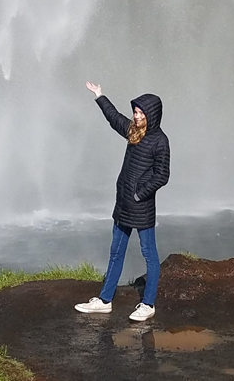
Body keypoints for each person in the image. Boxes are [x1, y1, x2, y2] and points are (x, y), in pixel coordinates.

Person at [75, 81, 171, 322]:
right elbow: (113, 118)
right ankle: (105, 300)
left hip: (141, 206)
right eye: (136, 112)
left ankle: (148, 304)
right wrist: (100, 96)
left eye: (141, 113)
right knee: (115, 251)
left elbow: (162, 175)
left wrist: (140, 194)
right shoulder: (133, 131)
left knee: (149, 254)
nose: (136, 116)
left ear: (152, 115)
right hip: (123, 204)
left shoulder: (160, 141)